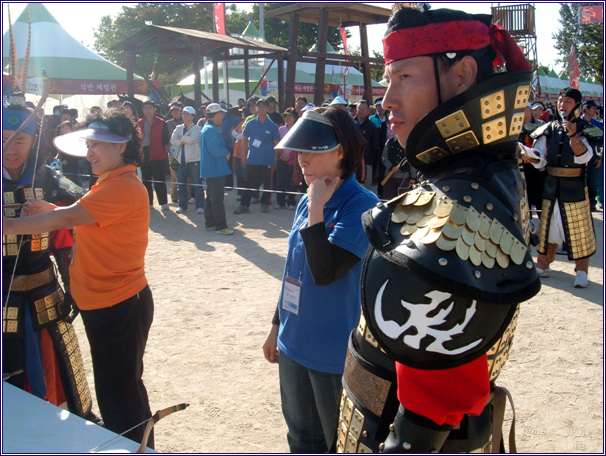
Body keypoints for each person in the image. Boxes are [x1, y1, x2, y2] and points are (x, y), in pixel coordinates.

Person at [336, 5, 542, 453]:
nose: (387, 98)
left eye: (404, 77)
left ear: (463, 75)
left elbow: (429, 413)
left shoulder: (457, 207)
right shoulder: (488, 174)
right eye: (389, 79)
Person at [4, 109, 156, 448]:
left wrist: (10, 225)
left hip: (117, 304)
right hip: (107, 302)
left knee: (119, 394)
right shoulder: (110, 182)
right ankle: (141, 446)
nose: (90, 152)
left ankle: (134, 448)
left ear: (122, 148)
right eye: (89, 144)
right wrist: (50, 210)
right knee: (123, 385)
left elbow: (69, 217)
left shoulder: (121, 187)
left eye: (100, 145)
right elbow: (79, 215)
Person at [262, 107, 379, 453]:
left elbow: (325, 272)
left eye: (312, 150)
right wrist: (276, 324)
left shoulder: (362, 206)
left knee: (338, 443)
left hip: (333, 353)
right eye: (299, 150)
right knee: (300, 438)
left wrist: (316, 211)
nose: (301, 159)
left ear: (340, 151)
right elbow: (292, 271)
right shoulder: (307, 199)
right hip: (294, 342)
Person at [2, 103, 95, 422]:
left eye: (19, 141)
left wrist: (72, 284)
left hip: (45, 287)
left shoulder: (49, 178)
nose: (10, 149)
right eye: (3, 139)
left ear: (33, 141)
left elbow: (64, 237)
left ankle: (67, 415)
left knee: (57, 354)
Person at [523, 87, 601, 288]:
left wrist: (573, 135)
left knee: (578, 230)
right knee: (548, 227)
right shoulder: (548, 129)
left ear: (577, 104)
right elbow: (541, 157)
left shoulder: (585, 128)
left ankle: (581, 270)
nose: (562, 105)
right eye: (560, 100)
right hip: (550, 185)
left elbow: (585, 157)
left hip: (574, 186)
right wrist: (530, 156)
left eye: (567, 101)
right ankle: (543, 264)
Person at [234, 97, 281, 214]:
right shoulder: (250, 123)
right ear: (256, 108)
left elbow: (276, 143)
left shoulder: (272, 126)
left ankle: (264, 204)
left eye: (263, 106)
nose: (261, 109)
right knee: (249, 183)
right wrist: (244, 157)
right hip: (253, 160)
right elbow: (244, 140)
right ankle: (244, 205)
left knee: (266, 184)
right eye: (259, 106)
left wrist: (274, 159)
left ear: (267, 108)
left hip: (267, 160)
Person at [199, 103, 235, 235]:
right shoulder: (211, 130)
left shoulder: (208, 128)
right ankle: (221, 226)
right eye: (222, 113)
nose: (223, 116)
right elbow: (215, 150)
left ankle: (210, 223)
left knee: (211, 197)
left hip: (211, 169)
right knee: (217, 199)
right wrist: (226, 153)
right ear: (218, 114)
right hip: (215, 169)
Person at [170, 106, 204, 215]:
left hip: (194, 161)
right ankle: (182, 206)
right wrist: (184, 139)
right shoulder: (178, 128)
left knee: (197, 184)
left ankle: (200, 206)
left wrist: (181, 138)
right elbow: (172, 141)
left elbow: (193, 139)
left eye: (188, 114)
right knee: (181, 185)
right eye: (184, 114)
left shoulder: (197, 129)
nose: (185, 116)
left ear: (193, 116)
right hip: (181, 161)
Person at [139, 100, 171, 210]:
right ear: (142, 110)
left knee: (159, 178)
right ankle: (149, 202)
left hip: (157, 152)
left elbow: (166, 139)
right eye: (145, 108)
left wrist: (168, 154)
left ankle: (163, 202)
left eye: (150, 108)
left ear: (154, 109)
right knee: (146, 179)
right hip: (144, 153)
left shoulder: (162, 122)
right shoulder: (139, 123)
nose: (148, 111)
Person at [274, 107, 299, 210]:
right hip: (281, 158)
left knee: (291, 182)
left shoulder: (298, 129)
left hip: (293, 160)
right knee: (280, 182)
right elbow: (277, 143)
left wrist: (291, 156)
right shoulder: (281, 129)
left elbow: (298, 145)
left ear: (294, 118)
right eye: (286, 116)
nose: (288, 118)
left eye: (290, 116)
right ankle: (280, 202)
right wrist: (281, 154)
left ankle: (291, 202)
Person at [581, 100, 603, 212]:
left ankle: (592, 203)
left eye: (595, 109)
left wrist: (599, 158)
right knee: (580, 181)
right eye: (593, 108)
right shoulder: (578, 123)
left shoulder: (597, 124)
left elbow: (601, 141)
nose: (595, 110)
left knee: (593, 181)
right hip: (579, 158)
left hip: (593, 158)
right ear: (586, 109)